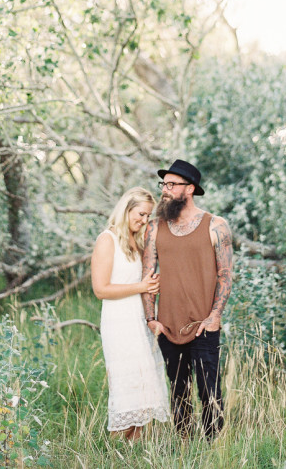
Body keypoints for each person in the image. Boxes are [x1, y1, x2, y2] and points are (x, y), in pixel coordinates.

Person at [142, 160, 232, 441]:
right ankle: (185, 448)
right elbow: (147, 275)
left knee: (209, 391)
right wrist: (151, 319)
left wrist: (215, 316)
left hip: (205, 324)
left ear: (190, 189)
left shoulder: (216, 225)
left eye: (171, 185)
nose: (165, 191)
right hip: (168, 327)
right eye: (163, 185)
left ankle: (213, 449)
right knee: (178, 391)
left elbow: (225, 275)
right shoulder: (155, 227)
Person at [91, 187, 170, 441]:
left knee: (143, 384)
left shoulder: (135, 243)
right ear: (127, 209)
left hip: (136, 320)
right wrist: (141, 286)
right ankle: (115, 448)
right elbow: (100, 289)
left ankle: (134, 449)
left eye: (148, 216)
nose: (144, 220)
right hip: (118, 322)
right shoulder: (107, 239)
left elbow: (141, 282)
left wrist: (151, 285)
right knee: (126, 386)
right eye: (141, 214)